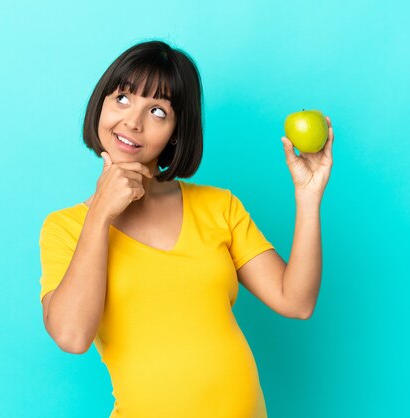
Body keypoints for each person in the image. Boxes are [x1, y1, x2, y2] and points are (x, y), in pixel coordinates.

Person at [38, 39, 334, 418]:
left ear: (177, 131)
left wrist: (308, 197)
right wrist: (100, 215)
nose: (133, 121)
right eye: (123, 99)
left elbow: (296, 302)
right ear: (101, 105)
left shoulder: (217, 206)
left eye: (158, 111)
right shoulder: (65, 227)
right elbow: (72, 336)